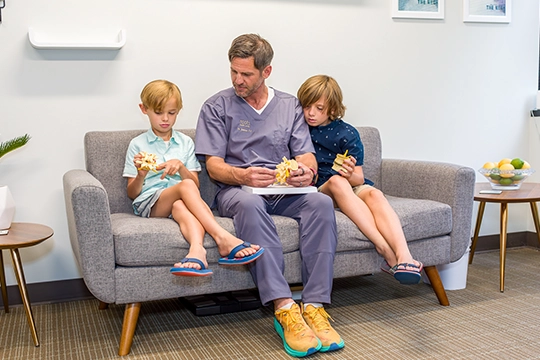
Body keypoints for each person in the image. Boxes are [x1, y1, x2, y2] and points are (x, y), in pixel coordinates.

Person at [195, 34, 344, 357]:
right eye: (233, 71)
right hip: (238, 191)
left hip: (283, 190)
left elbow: (305, 155)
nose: (238, 80)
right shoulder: (216, 107)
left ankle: (315, 305)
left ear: (267, 72)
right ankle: (285, 307)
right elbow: (215, 167)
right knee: (249, 204)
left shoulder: (289, 105)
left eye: (246, 74)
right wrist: (243, 175)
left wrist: (306, 171)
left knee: (320, 201)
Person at [123, 79, 264, 277]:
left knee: (180, 204)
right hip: (150, 204)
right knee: (185, 186)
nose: (165, 119)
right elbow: (132, 193)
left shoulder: (185, 142)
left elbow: (195, 185)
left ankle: (197, 251)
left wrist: (180, 167)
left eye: (171, 113)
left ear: (178, 111)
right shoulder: (137, 144)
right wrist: (141, 174)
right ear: (144, 109)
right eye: (158, 112)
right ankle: (223, 237)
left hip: (179, 200)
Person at [297, 74, 423, 285]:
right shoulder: (299, 130)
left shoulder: (347, 133)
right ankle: (382, 247)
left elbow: (359, 177)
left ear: (333, 109)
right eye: (307, 106)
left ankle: (404, 256)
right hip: (322, 189)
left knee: (374, 193)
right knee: (337, 182)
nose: (311, 113)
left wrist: (348, 172)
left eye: (319, 108)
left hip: (349, 185)